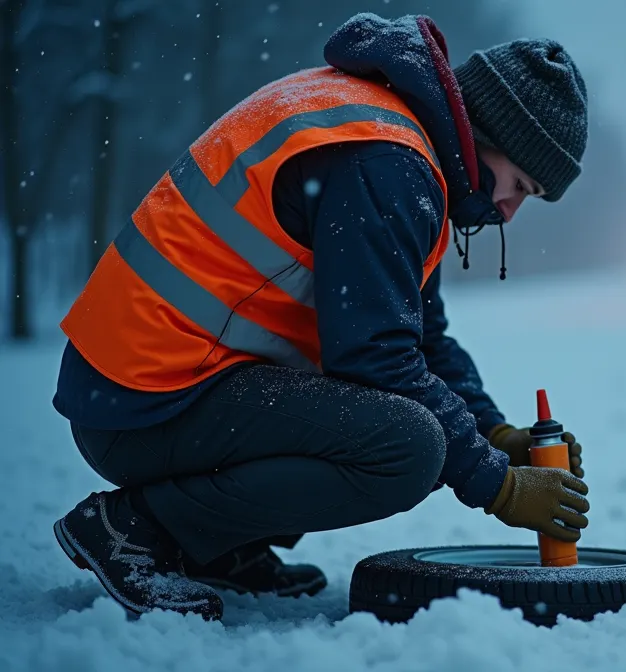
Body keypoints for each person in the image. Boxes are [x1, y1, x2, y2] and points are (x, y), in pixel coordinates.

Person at [49, 14, 590, 621]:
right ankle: (133, 530)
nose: (510, 212)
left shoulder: (398, 139)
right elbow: (378, 356)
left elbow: (422, 336)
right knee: (407, 447)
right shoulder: (389, 163)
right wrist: (499, 486)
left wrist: (495, 433)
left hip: (145, 383)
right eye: (520, 185)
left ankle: (216, 544)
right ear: (491, 134)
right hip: (147, 400)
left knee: (388, 420)